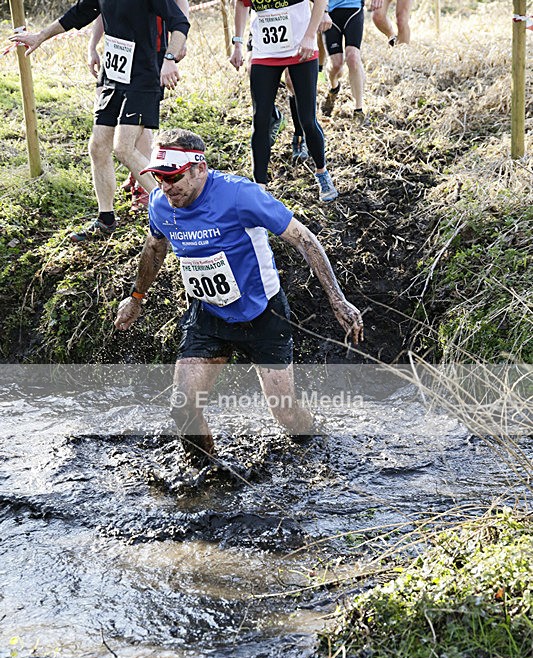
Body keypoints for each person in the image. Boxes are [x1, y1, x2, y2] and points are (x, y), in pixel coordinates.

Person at [113, 129, 364, 464]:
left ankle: (318, 448)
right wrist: (136, 297)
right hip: (208, 315)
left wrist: (337, 300)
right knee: (183, 409)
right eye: (159, 177)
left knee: (286, 417)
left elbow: (304, 239)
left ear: (199, 170)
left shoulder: (239, 195)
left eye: (173, 177)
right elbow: (155, 248)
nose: (166, 187)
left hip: (262, 316)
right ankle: (208, 473)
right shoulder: (161, 204)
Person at [10, 0, 189, 241]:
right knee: (98, 146)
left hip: (144, 73)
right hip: (113, 72)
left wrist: (169, 59)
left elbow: (180, 21)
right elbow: (79, 14)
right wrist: (41, 36)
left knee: (123, 148)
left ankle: (176, 214)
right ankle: (106, 220)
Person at [229, 0, 338, 202]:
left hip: (301, 50)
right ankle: (259, 188)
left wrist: (309, 35)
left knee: (307, 120)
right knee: (260, 120)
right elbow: (241, 5)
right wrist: (237, 44)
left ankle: (322, 173)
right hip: (265, 52)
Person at [87, 1, 189, 212]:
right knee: (106, 139)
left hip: (152, 52)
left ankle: (152, 193)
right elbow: (101, 9)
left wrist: (177, 44)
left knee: (135, 133)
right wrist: (92, 45)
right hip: (117, 57)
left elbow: (179, 12)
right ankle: (112, 209)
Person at [321, 0, 371, 122]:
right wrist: (322, 10)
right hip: (330, 13)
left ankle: (358, 110)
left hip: (354, 9)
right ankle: (334, 87)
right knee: (336, 65)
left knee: (353, 58)